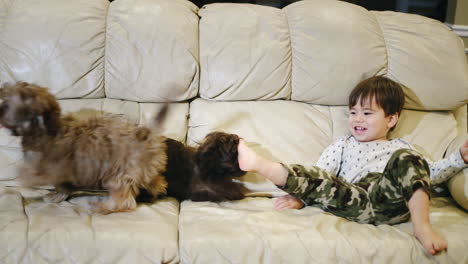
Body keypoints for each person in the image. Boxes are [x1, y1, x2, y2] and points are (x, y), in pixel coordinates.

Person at [237, 76, 468, 255]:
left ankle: (422, 226)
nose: (357, 119)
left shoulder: (400, 147)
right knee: (320, 178)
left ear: (391, 119)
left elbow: (428, 175)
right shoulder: (343, 145)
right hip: (354, 199)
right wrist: (301, 198)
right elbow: (321, 176)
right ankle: (260, 164)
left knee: (409, 158)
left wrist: (459, 158)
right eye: (353, 113)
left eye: (367, 113)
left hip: (391, 202)